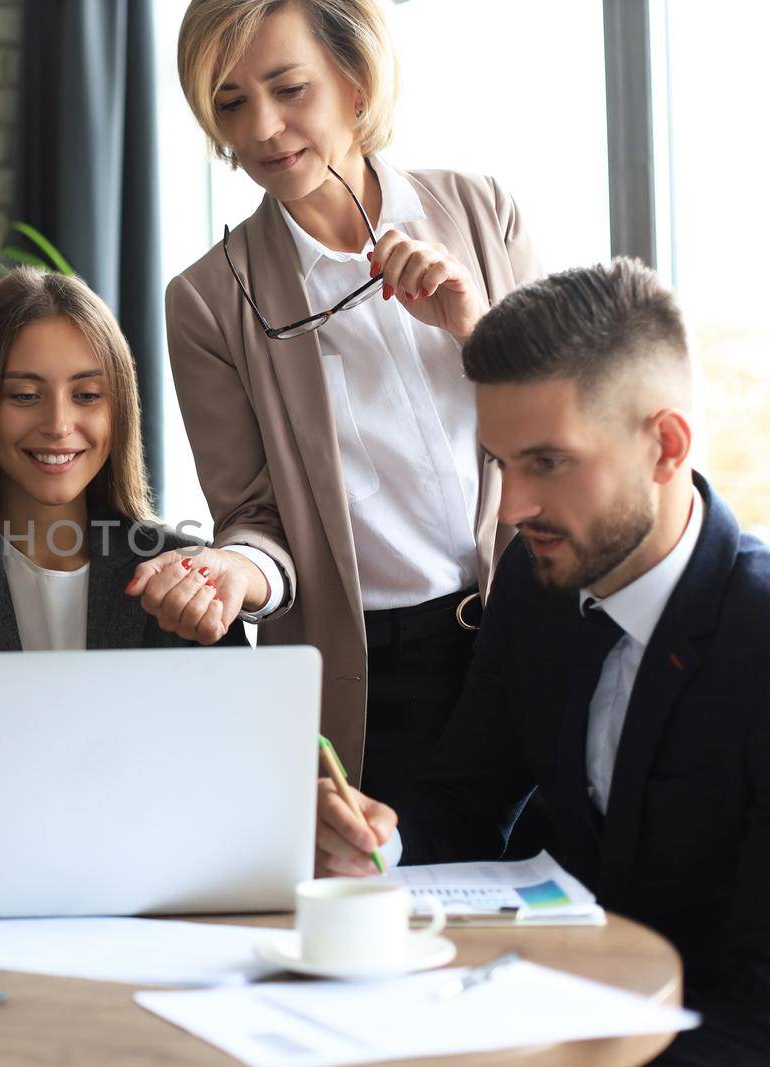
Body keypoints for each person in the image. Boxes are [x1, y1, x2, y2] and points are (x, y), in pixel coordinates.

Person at [315, 261, 770, 1064]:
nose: (513, 508)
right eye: (500, 464)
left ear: (666, 445)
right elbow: (463, 799)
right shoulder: (536, 576)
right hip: (526, 1015)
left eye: (547, 463)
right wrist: (379, 845)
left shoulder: (758, 633)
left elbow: (757, 1003)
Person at [134, 0, 542, 804]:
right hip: (381, 685)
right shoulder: (211, 300)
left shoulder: (483, 214)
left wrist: (473, 329)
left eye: (290, 89)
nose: (262, 129)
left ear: (356, 82)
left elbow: (574, 426)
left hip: (535, 632)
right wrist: (233, 572)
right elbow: (258, 522)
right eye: (231, 102)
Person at [0, 268, 248, 863]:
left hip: (161, 911)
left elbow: (244, 784)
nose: (58, 424)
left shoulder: (182, 579)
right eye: (24, 396)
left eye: (87, 395)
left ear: (119, 411)